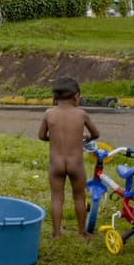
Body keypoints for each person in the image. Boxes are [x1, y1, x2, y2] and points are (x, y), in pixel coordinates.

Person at [37, 76, 101, 238]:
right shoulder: (81, 114)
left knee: (57, 198)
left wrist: (55, 137)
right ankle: (82, 233)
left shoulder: (49, 114)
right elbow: (96, 134)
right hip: (76, 164)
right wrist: (84, 136)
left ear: (54, 97)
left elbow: (41, 136)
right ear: (76, 96)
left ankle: (56, 233)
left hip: (56, 164)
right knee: (79, 197)